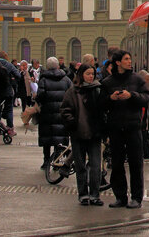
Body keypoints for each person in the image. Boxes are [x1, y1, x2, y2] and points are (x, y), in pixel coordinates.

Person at [100, 50, 149, 208]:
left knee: (136, 163)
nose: (129, 61)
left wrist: (132, 95)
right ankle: (120, 197)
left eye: (129, 59)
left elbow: (146, 99)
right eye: (126, 59)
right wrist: (111, 98)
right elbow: (100, 104)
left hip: (133, 127)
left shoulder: (137, 79)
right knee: (117, 163)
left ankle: (136, 198)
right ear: (118, 62)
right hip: (115, 127)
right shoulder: (107, 82)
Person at [60, 64, 105, 206]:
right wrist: (72, 123)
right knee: (80, 167)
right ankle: (83, 194)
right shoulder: (73, 91)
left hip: (95, 133)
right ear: (81, 75)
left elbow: (104, 110)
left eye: (92, 74)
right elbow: (65, 110)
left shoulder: (98, 90)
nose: (91, 76)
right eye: (88, 74)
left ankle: (95, 194)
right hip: (78, 133)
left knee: (96, 166)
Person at [36, 56, 72, 170]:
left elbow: (40, 96)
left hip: (47, 113)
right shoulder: (66, 79)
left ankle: (46, 161)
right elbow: (71, 94)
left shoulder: (43, 80)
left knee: (47, 138)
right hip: (62, 113)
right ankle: (57, 160)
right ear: (58, 66)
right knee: (59, 138)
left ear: (47, 66)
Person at [138, 70, 149, 160]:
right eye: (147, 79)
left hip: (143, 120)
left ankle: (146, 153)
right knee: (143, 137)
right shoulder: (141, 90)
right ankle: (146, 154)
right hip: (141, 120)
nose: (148, 81)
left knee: (144, 136)